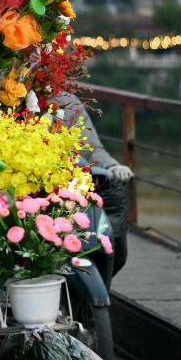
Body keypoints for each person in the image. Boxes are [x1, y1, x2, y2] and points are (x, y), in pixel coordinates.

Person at [53, 91, 134, 277]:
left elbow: (91, 148)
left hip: (71, 190)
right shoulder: (1, 96)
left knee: (112, 242)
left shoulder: (64, 101)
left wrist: (112, 166)